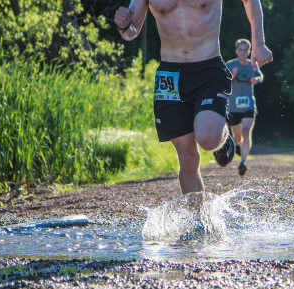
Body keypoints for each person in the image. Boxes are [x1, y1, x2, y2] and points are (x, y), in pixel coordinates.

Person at [114, 0, 272, 194]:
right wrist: (123, 25)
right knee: (186, 156)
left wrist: (259, 44)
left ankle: (223, 136)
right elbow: (131, 32)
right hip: (170, 75)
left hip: (208, 67)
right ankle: (196, 220)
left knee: (208, 139)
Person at [226, 38, 263, 176]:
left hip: (248, 105)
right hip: (234, 106)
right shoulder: (230, 65)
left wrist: (257, 80)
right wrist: (232, 75)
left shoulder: (253, 65)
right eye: (240, 50)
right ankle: (236, 147)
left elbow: (261, 76)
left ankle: (243, 162)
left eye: (245, 50)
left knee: (246, 130)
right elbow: (222, 81)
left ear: (249, 52)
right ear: (237, 51)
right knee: (237, 138)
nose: (242, 52)